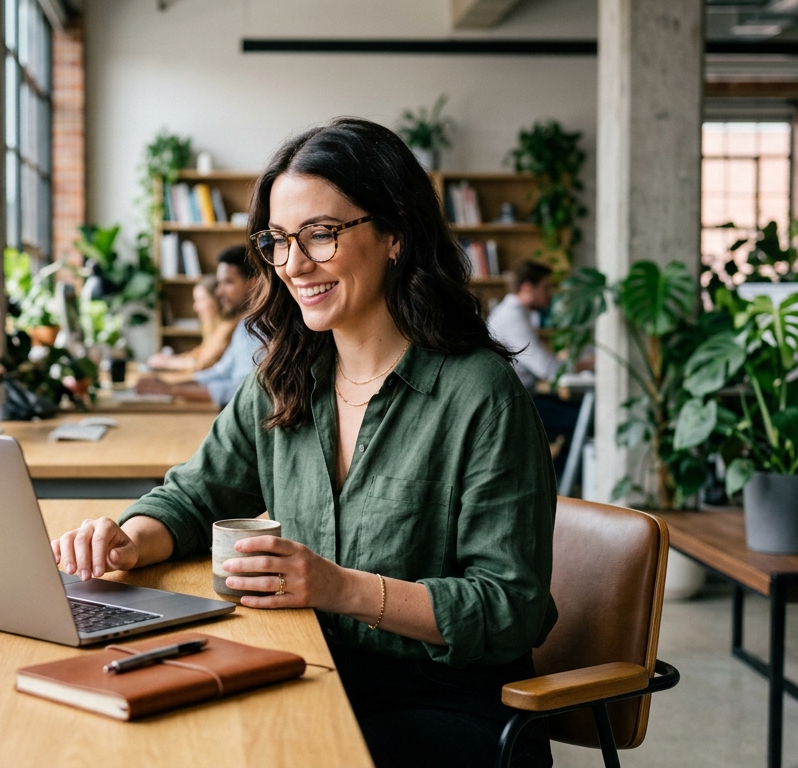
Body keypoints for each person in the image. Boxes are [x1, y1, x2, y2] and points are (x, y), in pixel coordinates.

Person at [53, 118, 555, 768]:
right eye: (278, 240)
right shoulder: (285, 374)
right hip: (312, 669)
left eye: (320, 234)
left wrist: (342, 589)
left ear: (396, 232)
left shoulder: (479, 394)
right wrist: (128, 537)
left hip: (445, 703)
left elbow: (510, 607)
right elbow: (196, 491)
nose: (293, 264)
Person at [487, 261, 584, 472]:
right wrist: (583, 364)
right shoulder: (512, 316)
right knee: (583, 418)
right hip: (513, 408)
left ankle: (559, 484)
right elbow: (546, 369)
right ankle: (559, 488)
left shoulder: (519, 313)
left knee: (580, 415)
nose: (549, 295)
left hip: (521, 399)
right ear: (527, 287)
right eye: (545, 288)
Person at [134, 247, 259, 406]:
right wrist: (169, 386)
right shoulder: (245, 325)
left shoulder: (261, 329)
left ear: (253, 283)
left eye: (228, 282)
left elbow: (242, 389)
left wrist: (172, 390)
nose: (219, 292)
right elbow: (220, 372)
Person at [146, 272, 239, 372]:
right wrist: (174, 358)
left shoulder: (228, 326)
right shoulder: (210, 324)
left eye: (201, 300)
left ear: (217, 299)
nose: (195, 307)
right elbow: (202, 352)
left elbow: (203, 363)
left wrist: (169, 363)